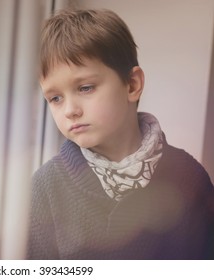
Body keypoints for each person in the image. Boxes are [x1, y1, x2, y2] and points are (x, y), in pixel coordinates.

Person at [27, 9, 214, 259]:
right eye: (55, 98)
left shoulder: (191, 179)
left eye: (85, 88)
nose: (70, 110)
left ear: (132, 85)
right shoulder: (43, 188)